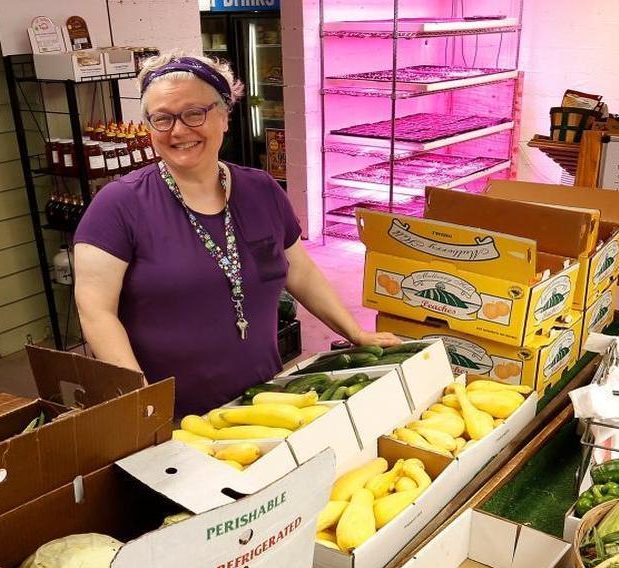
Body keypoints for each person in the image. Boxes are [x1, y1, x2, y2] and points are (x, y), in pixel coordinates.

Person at [73, 51, 398, 417]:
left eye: (195, 113)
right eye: (162, 119)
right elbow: (96, 309)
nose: (178, 131)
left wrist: (355, 332)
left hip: (262, 399)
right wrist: (139, 397)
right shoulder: (119, 205)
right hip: (173, 415)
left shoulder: (261, 190)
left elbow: (299, 270)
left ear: (225, 114)